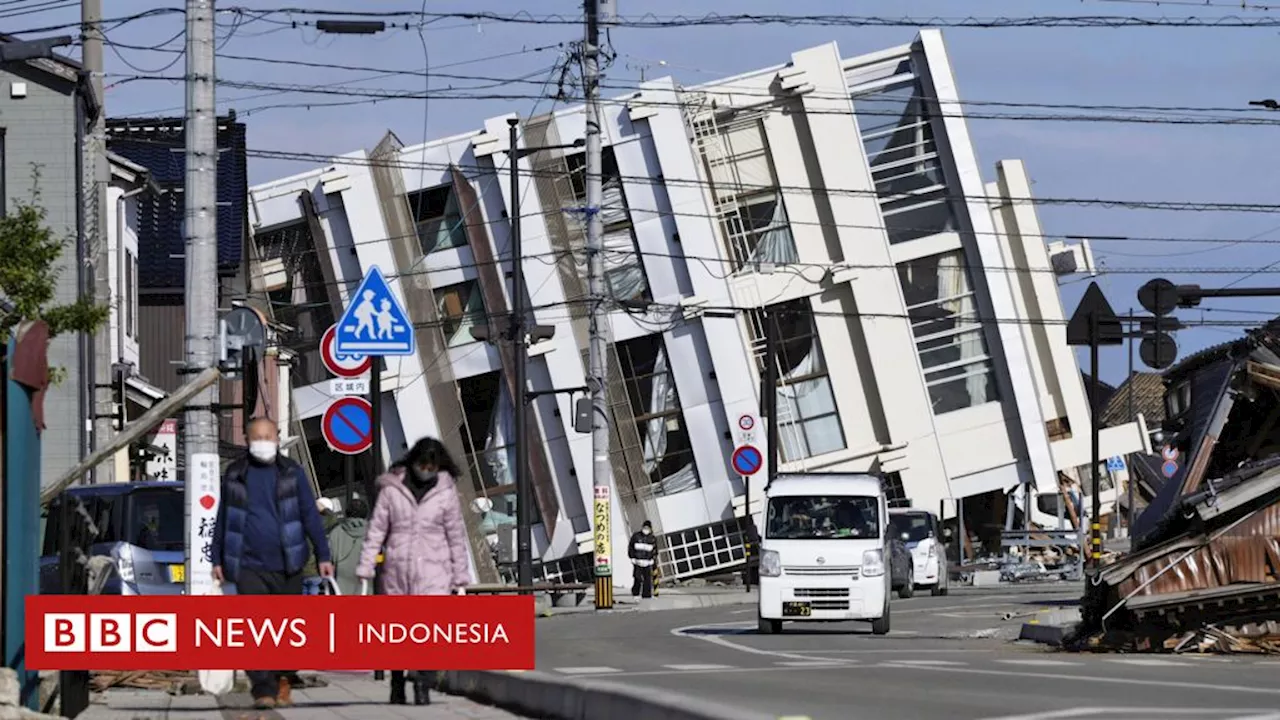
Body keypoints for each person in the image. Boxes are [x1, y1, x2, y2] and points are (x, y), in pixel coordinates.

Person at [210, 417, 334, 710]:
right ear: (246, 439)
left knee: (285, 628)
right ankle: (262, 689)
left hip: (288, 563)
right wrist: (216, 557)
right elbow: (223, 518)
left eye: (268, 436)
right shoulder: (235, 474)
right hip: (247, 564)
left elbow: (309, 515)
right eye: (257, 437)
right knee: (255, 628)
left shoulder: (293, 473)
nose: (263, 441)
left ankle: (282, 680)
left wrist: (323, 554)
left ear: (277, 439)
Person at [356, 438, 472, 706]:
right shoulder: (391, 489)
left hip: (435, 569)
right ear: (413, 461)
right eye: (422, 464)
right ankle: (397, 682)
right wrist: (366, 565)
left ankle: (422, 682)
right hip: (398, 568)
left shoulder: (445, 491)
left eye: (431, 466)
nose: (426, 470)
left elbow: (455, 535)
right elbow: (377, 529)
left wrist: (460, 576)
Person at [328, 495, 370, 597]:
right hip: (369, 583)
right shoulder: (373, 532)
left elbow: (330, 557)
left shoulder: (336, 532)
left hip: (342, 587)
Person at [628, 520, 656, 598]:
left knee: (647, 579)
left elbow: (655, 550)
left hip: (647, 562)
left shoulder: (652, 538)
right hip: (637, 561)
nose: (646, 529)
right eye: (645, 527)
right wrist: (632, 557)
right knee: (638, 578)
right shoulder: (636, 536)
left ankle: (646, 595)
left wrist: (653, 559)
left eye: (648, 528)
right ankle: (635, 592)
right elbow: (631, 547)